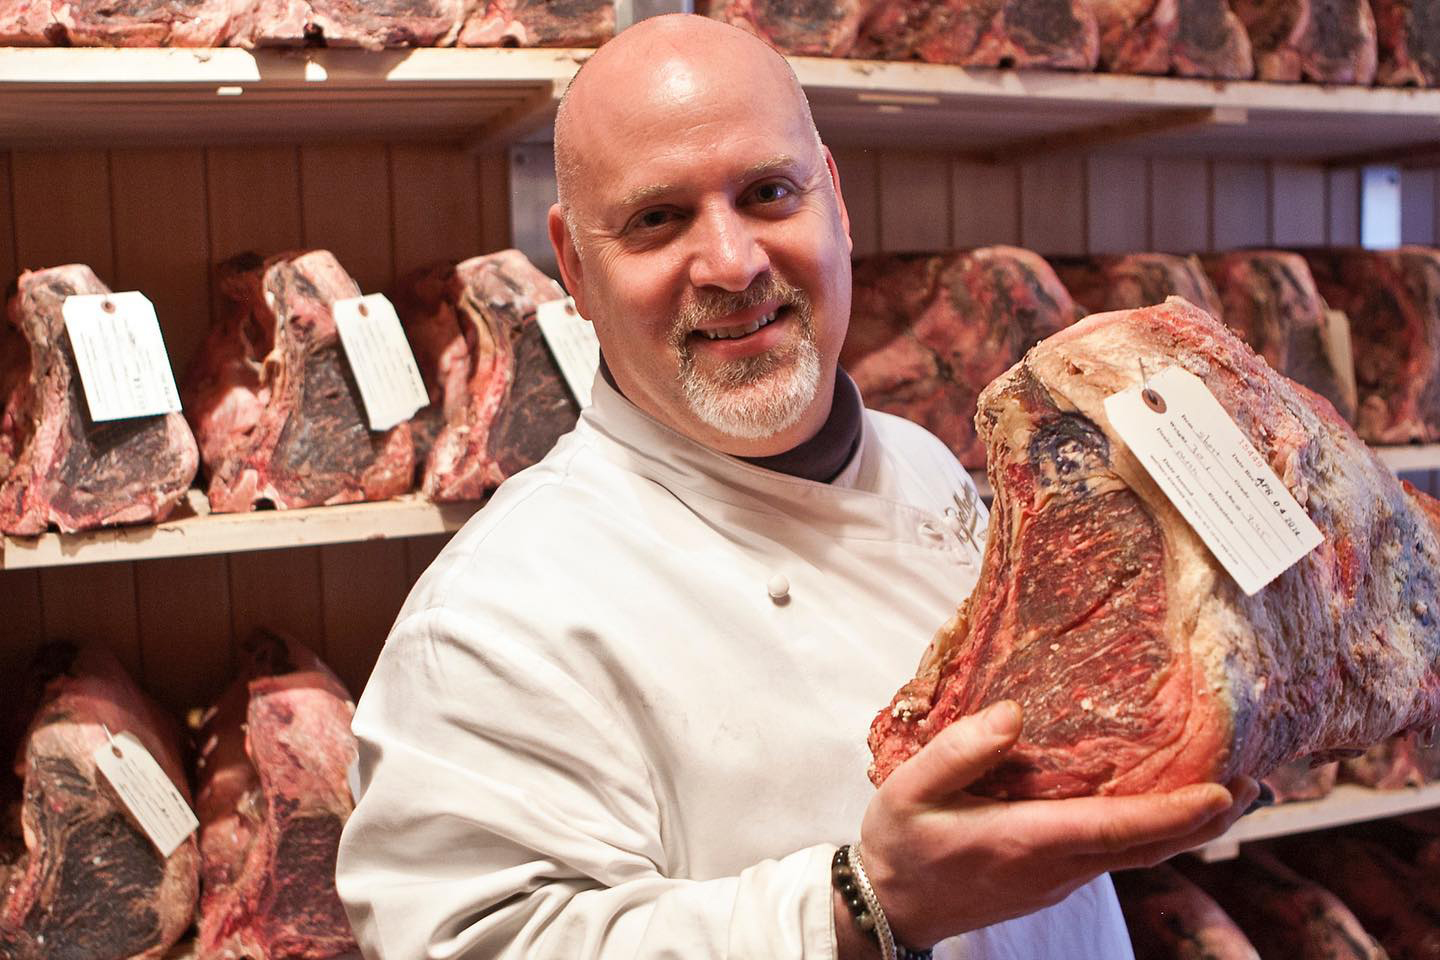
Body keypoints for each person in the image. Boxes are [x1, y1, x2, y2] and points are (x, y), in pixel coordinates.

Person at [335, 13, 1258, 958]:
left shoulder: (929, 464)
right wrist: (864, 906)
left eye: (770, 193)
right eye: (658, 219)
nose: (733, 263)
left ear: (838, 206)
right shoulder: (496, 610)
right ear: (574, 264)